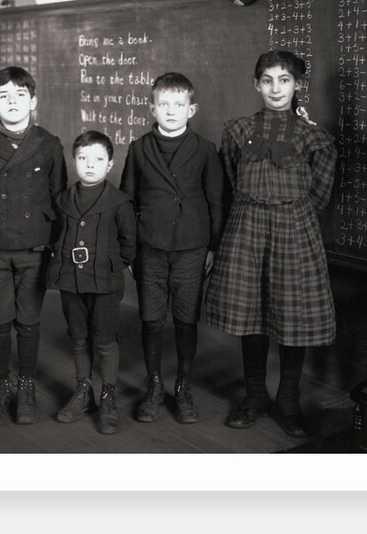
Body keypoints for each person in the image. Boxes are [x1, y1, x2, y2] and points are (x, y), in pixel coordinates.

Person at [205, 50, 337, 438]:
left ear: (298, 85)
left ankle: (289, 400)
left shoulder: (316, 138)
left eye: (284, 80)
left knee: (292, 315)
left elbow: (319, 193)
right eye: (267, 80)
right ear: (256, 84)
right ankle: (255, 396)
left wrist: (286, 212)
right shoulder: (237, 131)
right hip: (246, 227)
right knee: (252, 313)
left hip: (295, 230)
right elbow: (229, 180)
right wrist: (257, 209)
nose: (275, 88)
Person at [120, 72, 226, 423]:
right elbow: (127, 200)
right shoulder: (139, 148)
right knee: (151, 320)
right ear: (152, 107)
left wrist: (212, 245)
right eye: (163, 104)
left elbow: (216, 201)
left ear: (191, 109)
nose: (170, 111)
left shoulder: (206, 150)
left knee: (185, 319)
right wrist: (130, 249)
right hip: (150, 245)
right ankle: (153, 385)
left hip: (192, 246)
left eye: (178, 104)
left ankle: (183, 386)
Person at [0, 65, 67, 426]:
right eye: (3, 96)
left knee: (28, 321)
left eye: (20, 95)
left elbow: (59, 198)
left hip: (35, 248)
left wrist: (57, 248)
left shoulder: (49, 144)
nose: (12, 102)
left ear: (33, 101)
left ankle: (26, 386)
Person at [47, 131, 136, 435]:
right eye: (83, 158)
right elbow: (55, 235)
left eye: (98, 159)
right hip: (71, 281)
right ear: (74, 161)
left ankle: (107, 395)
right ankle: (83, 390)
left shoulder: (119, 201)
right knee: (79, 337)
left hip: (106, 283)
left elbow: (129, 243)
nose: (90, 164)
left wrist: (112, 266)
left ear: (110, 164)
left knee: (105, 339)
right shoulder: (63, 200)